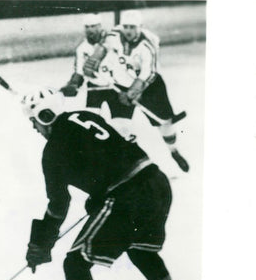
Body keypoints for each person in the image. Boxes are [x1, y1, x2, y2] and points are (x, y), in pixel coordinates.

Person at [21, 87, 190, 280]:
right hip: (156, 183)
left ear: (44, 116)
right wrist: (99, 193)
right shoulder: (85, 115)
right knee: (143, 253)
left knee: (75, 264)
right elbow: (116, 150)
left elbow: (58, 206)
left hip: (128, 197)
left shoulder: (52, 151)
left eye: (34, 121)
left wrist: (40, 245)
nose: (34, 128)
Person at [81, 10, 190, 172]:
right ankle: (125, 163)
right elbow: (104, 47)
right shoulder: (115, 34)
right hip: (122, 85)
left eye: (132, 27)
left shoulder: (148, 45)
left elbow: (149, 73)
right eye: (126, 27)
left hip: (151, 87)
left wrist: (134, 91)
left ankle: (173, 151)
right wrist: (94, 59)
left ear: (140, 27)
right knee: (121, 126)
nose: (129, 31)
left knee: (165, 124)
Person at [60, 13, 137, 141]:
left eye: (93, 26)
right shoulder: (82, 49)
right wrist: (73, 84)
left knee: (122, 128)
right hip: (95, 89)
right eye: (87, 27)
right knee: (92, 126)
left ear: (100, 26)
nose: (90, 30)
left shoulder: (113, 41)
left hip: (117, 88)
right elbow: (79, 73)